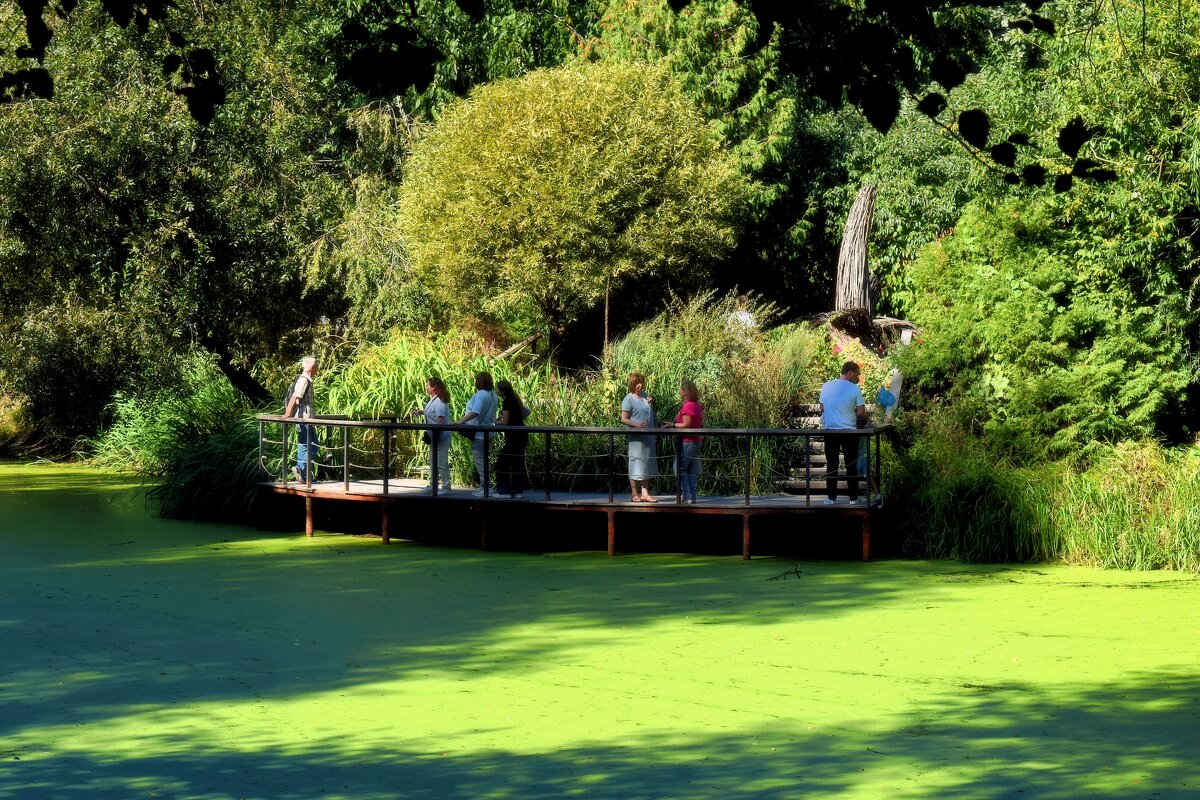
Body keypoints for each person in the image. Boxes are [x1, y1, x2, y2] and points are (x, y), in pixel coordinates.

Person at [818, 361, 866, 505]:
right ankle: (853, 498)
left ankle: (831, 498)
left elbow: (821, 408)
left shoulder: (826, 386)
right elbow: (861, 412)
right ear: (850, 373)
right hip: (849, 432)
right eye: (856, 374)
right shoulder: (854, 388)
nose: (856, 377)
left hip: (830, 430)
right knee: (851, 464)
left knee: (831, 464)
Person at [458, 371, 498, 497]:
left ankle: (486, 486)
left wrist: (461, 421)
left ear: (479, 381)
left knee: (479, 458)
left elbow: (476, 412)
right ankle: (486, 485)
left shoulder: (481, 394)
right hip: (490, 430)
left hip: (480, 432)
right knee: (484, 458)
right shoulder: (493, 395)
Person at [620, 371, 657, 502]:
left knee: (646, 463)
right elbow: (624, 419)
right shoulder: (628, 399)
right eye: (637, 383)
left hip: (648, 436)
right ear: (632, 384)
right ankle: (634, 493)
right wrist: (637, 425)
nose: (640, 385)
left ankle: (645, 493)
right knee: (635, 463)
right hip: (636, 438)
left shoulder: (645, 396)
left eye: (641, 382)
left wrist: (650, 403)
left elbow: (647, 414)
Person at [664, 379, 703, 503]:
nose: (679, 391)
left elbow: (687, 424)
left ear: (685, 391)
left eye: (680, 389)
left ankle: (687, 494)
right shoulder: (696, 404)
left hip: (688, 440)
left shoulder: (688, 405)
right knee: (690, 469)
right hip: (695, 440)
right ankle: (692, 496)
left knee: (679, 467)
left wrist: (673, 425)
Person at [411, 376, 452, 493]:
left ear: (434, 387)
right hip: (434, 436)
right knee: (432, 460)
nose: (426, 387)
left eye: (428, 385)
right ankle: (433, 484)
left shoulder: (439, 401)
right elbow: (432, 413)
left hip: (440, 436)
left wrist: (435, 435)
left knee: (441, 461)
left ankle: (446, 487)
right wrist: (421, 412)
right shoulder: (433, 399)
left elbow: (440, 420)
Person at [283, 356, 318, 482]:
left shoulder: (307, 379)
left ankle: (302, 473)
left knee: (310, 445)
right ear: (311, 368)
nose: (318, 369)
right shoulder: (304, 380)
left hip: (307, 418)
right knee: (308, 445)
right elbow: (295, 396)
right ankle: (300, 469)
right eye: (317, 366)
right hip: (303, 418)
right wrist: (287, 413)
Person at [495, 379, 531, 498]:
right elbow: (525, 413)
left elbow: (505, 422)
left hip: (513, 435)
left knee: (502, 463)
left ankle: (504, 491)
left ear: (501, 390)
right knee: (517, 463)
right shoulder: (515, 399)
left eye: (497, 388)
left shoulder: (506, 402)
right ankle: (517, 491)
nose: (495, 390)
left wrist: (494, 423)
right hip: (521, 433)